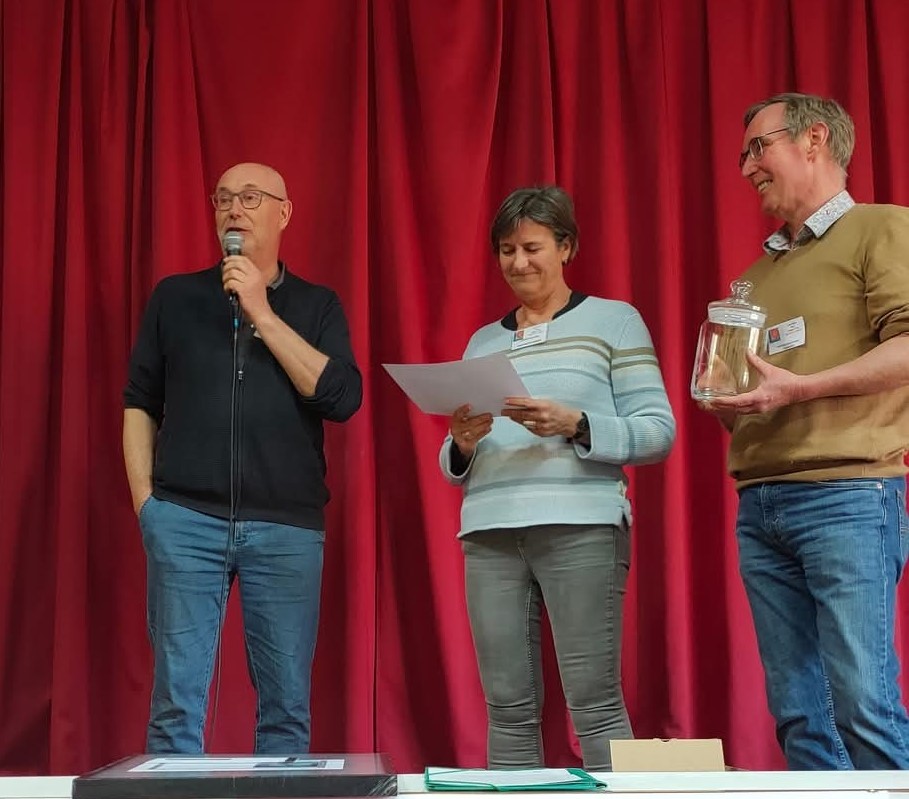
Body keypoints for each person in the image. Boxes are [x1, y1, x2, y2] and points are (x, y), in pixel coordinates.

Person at [123, 162, 362, 754]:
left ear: (284, 213)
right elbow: (139, 402)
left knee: (286, 709)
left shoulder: (317, 305)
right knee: (175, 705)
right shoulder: (175, 297)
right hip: (183, 521)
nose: (234, 208)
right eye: (224, 198)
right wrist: (148, 505)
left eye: (251, 198)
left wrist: (261, 311)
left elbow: (341, 398)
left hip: (286, 528)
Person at [701, 93, 909, 769]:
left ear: (814, 139)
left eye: (758, 148)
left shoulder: (880, 228)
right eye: (742, 155)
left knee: (862, 702)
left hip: (847, 495)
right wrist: (724, 399)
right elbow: (745, 401)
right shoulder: (751, 279)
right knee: (798, 713)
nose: (746, 168)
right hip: (760, 501)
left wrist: (801, 388)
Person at [439, 186, 675, 770]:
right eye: (506, 250)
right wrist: (461, 443)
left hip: (582, 528)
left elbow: (658, 430)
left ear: (566, 247)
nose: (518, 263)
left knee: (595, 702)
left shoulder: (614, 321)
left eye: (532, 247)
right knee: (506, 708)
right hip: (489, 532)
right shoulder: (483, 341)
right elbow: (455, 458)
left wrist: (578, 424)